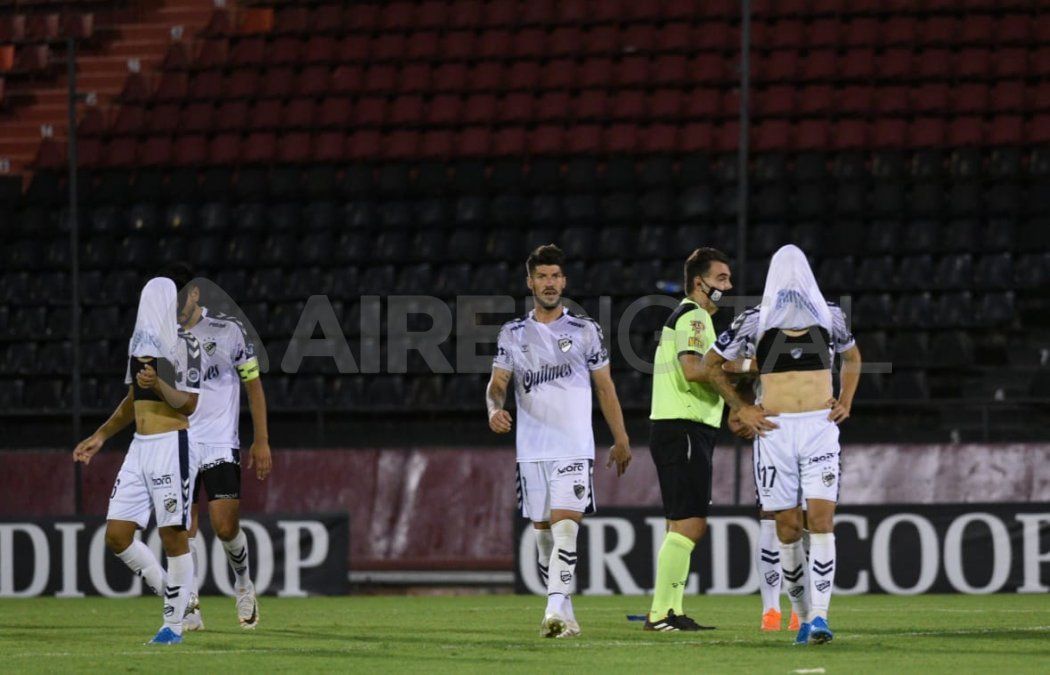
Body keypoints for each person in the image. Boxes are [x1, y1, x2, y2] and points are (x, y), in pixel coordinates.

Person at [703, 244, 862, 645]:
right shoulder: (754, 320)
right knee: (788, 529)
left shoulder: (831, 316)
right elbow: (710, 365)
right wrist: (743, 408)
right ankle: (804, 616)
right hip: (774, 433)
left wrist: (845, 401)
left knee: (822, 521)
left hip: (819, 428)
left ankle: (822, 617)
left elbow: (854, 358)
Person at [486, 244, 632, 638]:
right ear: (530, 282)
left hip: (573, 446)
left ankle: (551, 611)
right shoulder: (513, 333)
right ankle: (565, 615)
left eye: (555, 277)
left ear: (564, 282)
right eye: (542, 277)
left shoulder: (585, 331)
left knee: (566, 528)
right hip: (532, 451)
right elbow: (498, 384)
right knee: (543, 538)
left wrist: (620, 438)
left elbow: (606, 388)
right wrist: (493, 409)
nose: (549, 284)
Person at [645, 247, 774, 632]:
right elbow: (695, 370)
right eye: (721, 279)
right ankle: (661, 613)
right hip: (682, 426)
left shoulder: (692, 318)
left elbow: (706, 370)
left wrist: (732, 402)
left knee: (680, 524)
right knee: (691, 523)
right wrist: (749, 370)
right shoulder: (694, 315)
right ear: (699, 282)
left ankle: (668, 611)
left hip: (682, 427)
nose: (728, 286)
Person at [73, 276, 202, 645]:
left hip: (170, 444)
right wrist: (101, 435)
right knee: (117, 535)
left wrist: (159, 383)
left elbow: (190, 404)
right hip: (139, 447)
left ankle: (173, 627)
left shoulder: (184, 344)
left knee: (171, 536)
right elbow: (134, 398)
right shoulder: (139, 344)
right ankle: (178, 598)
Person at [170, 264, 270, 631]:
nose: (176, 308)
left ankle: (243, 584)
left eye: (180, 299)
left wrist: (261, 440)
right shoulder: (166, 336)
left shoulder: (229, 331)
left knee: (225, 526)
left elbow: (254, 385)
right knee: (183, 527)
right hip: (179, 440)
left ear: (195, 294)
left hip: (219, 442)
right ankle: (190, 603)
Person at [725, 357, 801, 632]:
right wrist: (742, 408)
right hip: (771, 432)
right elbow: (724, 365)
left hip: (812, 429)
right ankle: (770, 610)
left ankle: (800, 609)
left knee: (807, 519)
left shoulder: (822, 325)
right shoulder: (758, 326)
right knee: (771, 515)